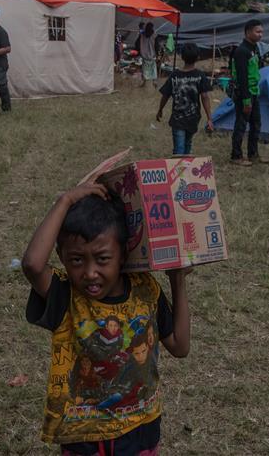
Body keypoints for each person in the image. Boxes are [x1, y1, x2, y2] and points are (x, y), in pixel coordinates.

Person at [22, 183, 190, 455]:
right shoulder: (65, 296)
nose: (89, 272)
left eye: (102, 259)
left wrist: (177, 279)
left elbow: (180, 346)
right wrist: (65, 199)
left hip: (140, 430)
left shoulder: (146, 290)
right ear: (61, 257)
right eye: (76, 260)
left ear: (123, 254)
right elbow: (32, 264)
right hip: (84, 438)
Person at [156, 42, 214, 155]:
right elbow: (205, 97)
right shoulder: (200, 75)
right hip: (193, 118)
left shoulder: (174, 75)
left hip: (178, 118)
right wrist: (209, 118)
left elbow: (165, 95)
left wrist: (160, 110)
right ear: (198, 57)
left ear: (182, 57)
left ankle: (181, 170)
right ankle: (184, 169)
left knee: (180, 149)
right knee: (187, 146)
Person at [230, 19, 267, 166]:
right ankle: (236, 156)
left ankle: (253, 154)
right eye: (258, 32)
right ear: (248, 32)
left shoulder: (254, 48)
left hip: (254, 91)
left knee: (256, 123)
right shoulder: (241, 51)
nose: (260, 35)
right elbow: (242, 77)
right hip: (244, 94)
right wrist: (246, 99)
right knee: (241, 124)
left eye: (262, 32)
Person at [138, 22, 157, 88]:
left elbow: (138, 42)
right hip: (152, 55)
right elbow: (156, 45)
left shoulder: (142, 34)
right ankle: (154, 81)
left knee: (144, 69)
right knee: (153, 69)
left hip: (144, 55)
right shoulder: (154, 34)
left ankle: (144, 82)